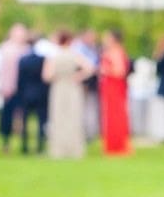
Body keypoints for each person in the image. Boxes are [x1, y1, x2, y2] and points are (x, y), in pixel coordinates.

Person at [44, 29, 94, 159]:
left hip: (59, 87)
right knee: (74, 117)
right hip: (72, 87)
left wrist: (58, 77)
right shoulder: (75, 54)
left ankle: (59, 150)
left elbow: (47, 76)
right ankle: (75, 149)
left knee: (59, 117)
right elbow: (89, 68)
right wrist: (78, 76)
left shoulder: (54, 56)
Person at [0, 23, 29, 153]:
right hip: (9, 89)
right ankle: (6, 143)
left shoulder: (27, 49)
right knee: (7, 117)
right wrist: (4, 86)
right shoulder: (4, 49)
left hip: (23, 89)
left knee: (24, 116)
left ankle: (24, 144)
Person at [99, 29, 132, 156]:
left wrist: (105, 70)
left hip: (114, 87)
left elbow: (120, 72)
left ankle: (117, 145)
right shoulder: (111, 51)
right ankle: (112, 144)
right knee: (110, 115)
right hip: (110, 87)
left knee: (116, 115)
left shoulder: (116, 51)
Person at [15, 38, 50, 154]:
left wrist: (19, 95)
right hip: (40, 94)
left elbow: (19, 80)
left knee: (25, 121)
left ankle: (24, 146)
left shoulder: (23, 60)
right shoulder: (42, 59)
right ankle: (40, 146)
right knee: (41, 121)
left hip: (26, 94)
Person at [72, 28, 101, 141]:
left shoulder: (94, 49)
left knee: (90, 108)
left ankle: (90, 133)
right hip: (82, 83)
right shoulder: (78, 49)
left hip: (92, 83)